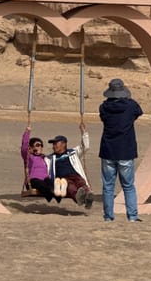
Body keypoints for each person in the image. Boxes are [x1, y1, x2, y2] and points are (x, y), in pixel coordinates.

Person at [98, 78, 143, 222]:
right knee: (128, 186)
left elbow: (103, 117)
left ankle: (108, 216)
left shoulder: (104, 107)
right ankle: (132, 216)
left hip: (108, 150)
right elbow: (138, 112)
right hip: (125, 150)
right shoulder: (131, 106)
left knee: (108, 186)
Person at [47, 123, 94, 208]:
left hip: (76, 175)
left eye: (56, 143)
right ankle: (79, 199)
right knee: (71, 187)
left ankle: (88, 197)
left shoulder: (73, 152)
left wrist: (84, 132)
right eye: (53, 144)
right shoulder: (50, 158)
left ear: (63, 144)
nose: (53, 146)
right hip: (64, 179)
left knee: (82, 184)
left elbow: (85, 147)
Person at [20, 128, 55, 202]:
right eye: (37, 145)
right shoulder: (29, 157)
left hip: (45, 180)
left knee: (53, 184)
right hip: (32, 181)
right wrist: (27, 133)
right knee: (40, 184)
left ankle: (54, 195)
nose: (39, 147)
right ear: (31, 147)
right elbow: (24, 148)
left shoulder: (45, 158)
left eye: (40, 145)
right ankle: (50, 195)